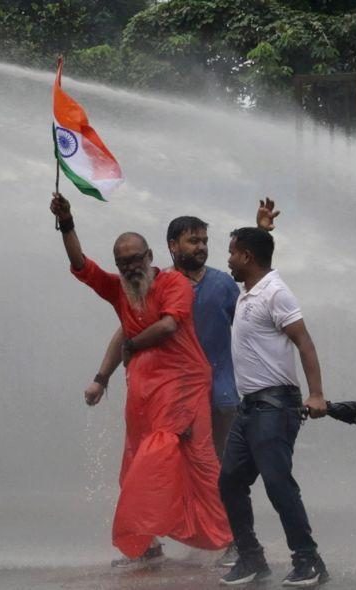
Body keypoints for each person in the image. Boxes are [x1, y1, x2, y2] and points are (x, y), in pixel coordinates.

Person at [84, 201, 279, 569]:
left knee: (219, 470)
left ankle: (236, 542)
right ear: (172, 246)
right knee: (154, 464)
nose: (201, 247)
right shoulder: (154, 283)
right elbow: (126, 333)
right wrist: (101, 378)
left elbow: (254, 301)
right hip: (167, 394)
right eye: (193, 241)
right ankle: (149, 541)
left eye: (204, 240)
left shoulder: (222, 283)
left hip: (218, 391)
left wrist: (262, 235)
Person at [49, 192, 232, 562]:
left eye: (135, 259)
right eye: (122, 263)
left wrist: (133, 343)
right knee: (135, 466)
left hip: (183, 387)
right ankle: (147, 544)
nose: (130, 267)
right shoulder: (120, 291)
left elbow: (167, 325)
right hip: (143, 394)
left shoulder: (172, 284)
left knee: (192, 461)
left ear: (150, 257)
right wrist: (67, 223)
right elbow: (82, 265)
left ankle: (230, 538)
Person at [218, 227, 329, 587]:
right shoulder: (250, 291)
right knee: (230, 481)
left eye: (233, 252)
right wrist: (261, 227)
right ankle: (251, 559)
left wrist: (316, 395)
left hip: (275, 406)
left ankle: (308, 560)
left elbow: (305, 343)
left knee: (278, 484)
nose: (228, 259)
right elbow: (257, 251)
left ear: (247, 257)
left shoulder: (276, 294)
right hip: (248, 408)